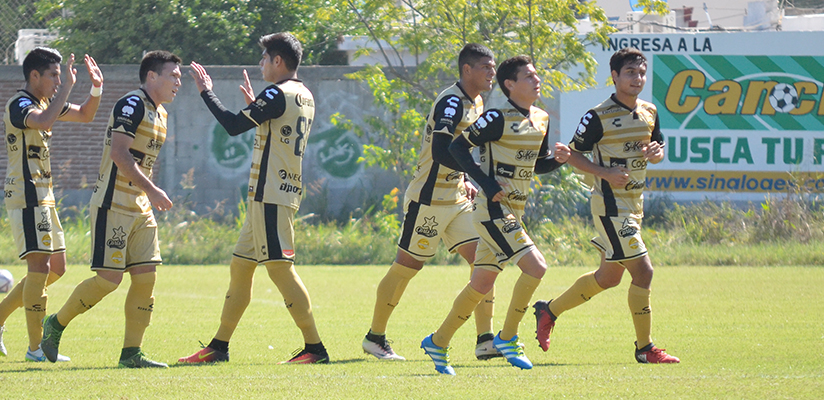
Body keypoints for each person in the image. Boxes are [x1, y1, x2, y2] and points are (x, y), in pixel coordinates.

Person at [179, 32, 329, 365]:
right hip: (276, 193)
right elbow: (277, 126)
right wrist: (258, 106)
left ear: (278, 61)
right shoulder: (303, 93)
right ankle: (219, 346)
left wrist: (207, 92)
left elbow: (233, 125)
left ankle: (315, 349)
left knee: (280, 269)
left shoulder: (277, 92)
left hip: (271, 195)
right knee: (241, 267)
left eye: (264, 58)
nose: (260, 63)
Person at [420, 55, 569, 375]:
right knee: (536, 267)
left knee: (481, 283)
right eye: (528, 76)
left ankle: (438, 340)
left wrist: (557, 160)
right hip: (493, 211)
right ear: (510, 85)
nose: (536, 80)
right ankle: (508, 336)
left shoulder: (541, 118)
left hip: (515, 210)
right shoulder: (496, 118)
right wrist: (486, 182)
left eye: (536, 74)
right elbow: (456, 148)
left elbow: (536, 164)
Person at [534, 48, 679, 364]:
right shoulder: (597, 116)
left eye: (641, 73)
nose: (637, 79)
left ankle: (549, 310)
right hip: (610, 206)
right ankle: (645, 349)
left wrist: (657, 153)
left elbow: (658, 148)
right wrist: (605, 173)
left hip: (634, 204)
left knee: (609, 277)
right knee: (643, 272)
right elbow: (572, 154)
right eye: (630, 73)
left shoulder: (650, 111)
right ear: (614, 77)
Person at [39, 50, 181, 368]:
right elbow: (120, 154)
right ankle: (55, 324)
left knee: (146, 278)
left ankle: (132, 353)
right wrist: (153, 189)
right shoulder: (130, 104)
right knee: (108, 280)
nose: (178, 83)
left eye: (180, 78)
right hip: (112, 203)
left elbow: (144, 161)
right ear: (152, 76)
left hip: (140, 207)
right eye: (173, 76)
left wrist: (148, 194)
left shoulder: (162, 114)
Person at [362, 44, 501, 362]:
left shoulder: (476, 101)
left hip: (456, 199)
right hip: (429, 200)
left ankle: (485, 340)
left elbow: (458, 151)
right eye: (485, 67)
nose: (491, 72)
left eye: (493, 67)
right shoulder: (451, 102)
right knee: (406, 269)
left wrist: (466, 179)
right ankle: (375, 337)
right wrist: (479, 176)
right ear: (467, 69)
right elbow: (441, 152)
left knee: (485, 262)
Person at [0, 47, 103, 362]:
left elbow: (86, 115)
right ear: (35, 76)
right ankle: (35, 349)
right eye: (54, 76)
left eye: (61, 76)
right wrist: (71, 89)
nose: (59, 82)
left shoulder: (46, 102)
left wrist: (96, 88)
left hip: (44, 195)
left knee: (56, 268)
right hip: (27, 194)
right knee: (39, 268)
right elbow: (45, 121)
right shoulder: (21, 105)